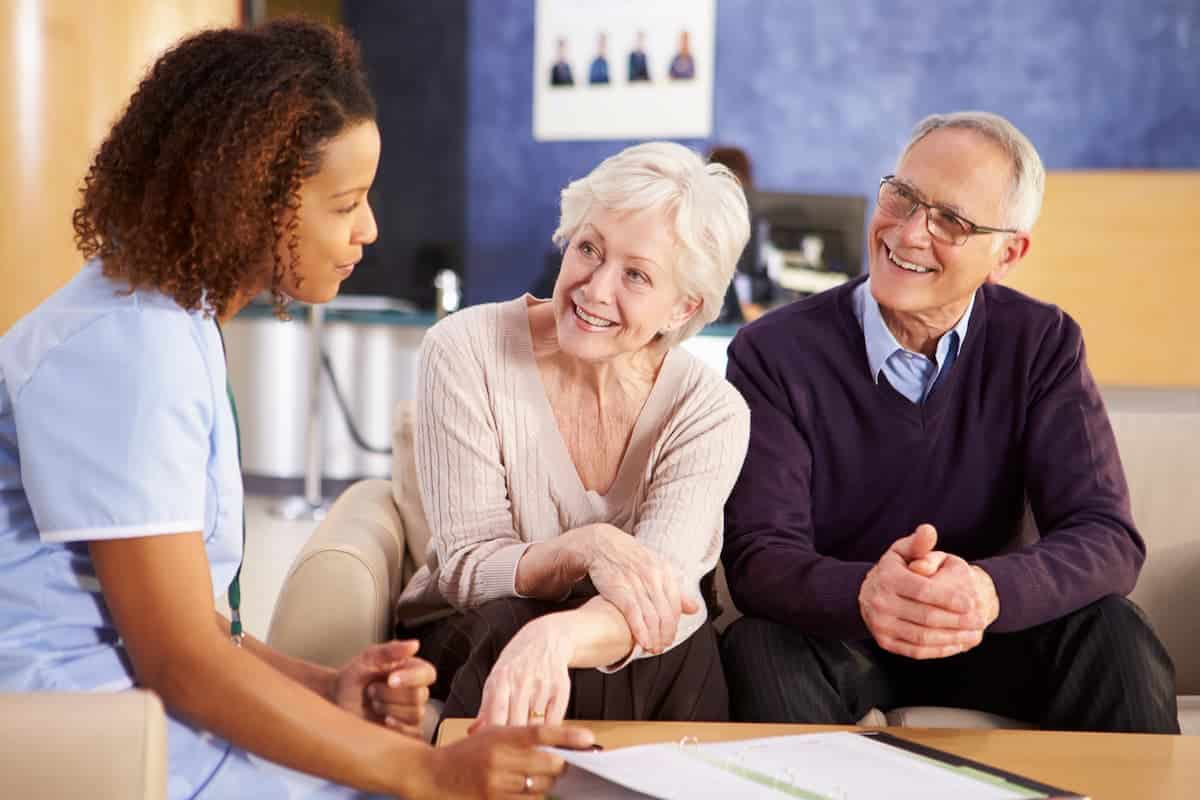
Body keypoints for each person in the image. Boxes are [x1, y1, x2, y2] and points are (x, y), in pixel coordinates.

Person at [0, 18, 591, 800]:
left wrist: (324, 688)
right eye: (345, 203)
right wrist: (428, 772)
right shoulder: (129, 348)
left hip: (126, 702)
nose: (369, 229)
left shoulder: (170, 321)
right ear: (247, 201)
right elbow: (178, 658)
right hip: (88, 732)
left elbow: (178, 621)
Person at [719, 111, 1179, 734]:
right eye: (901, 197)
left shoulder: (1042, 342)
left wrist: (988, 591)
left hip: (991, 630)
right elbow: (758, 557)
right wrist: (865, 593)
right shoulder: (772, 351)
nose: (908, 234)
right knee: (760, 646)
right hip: (839, 636)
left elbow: (1106, 536)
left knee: (1114, 634)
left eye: (951, 221)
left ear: (1008, 253)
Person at [395, 142, 751, 729]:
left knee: (683, 649)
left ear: (682, 308)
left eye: (636, 275)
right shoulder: (464, 351)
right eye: (589, 249)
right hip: (475, 622)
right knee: (513, 627)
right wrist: (585, 548)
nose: (594, 288)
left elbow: (663, 599)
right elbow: (466, 571)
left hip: (614, 638)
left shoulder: (710, 411)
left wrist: (557, 638)